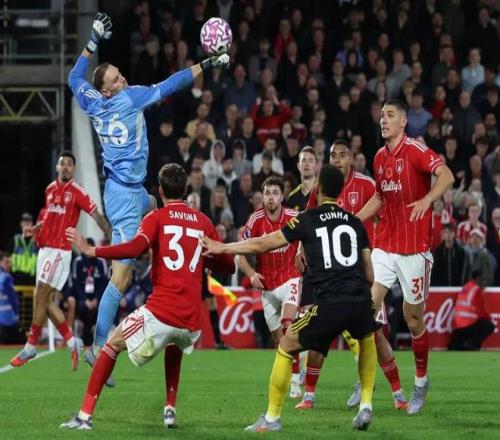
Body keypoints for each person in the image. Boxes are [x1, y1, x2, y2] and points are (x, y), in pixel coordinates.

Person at [67, 12, 230, 369]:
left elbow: (73, 77)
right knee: (120, 278)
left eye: (120, 74)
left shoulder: (91, 100)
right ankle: (98, 346)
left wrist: (92, 40)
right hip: (124, 198)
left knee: (157, 205)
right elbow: (172, 84)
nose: (123, 79)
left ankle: (158, 268)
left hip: (131, 190)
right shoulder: (131, 98)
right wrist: (207, 63)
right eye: (116, 79)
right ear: (108, 89)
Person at [203, 164, 377, 432]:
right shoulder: (355, 223)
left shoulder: (307, 219)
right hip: (360, 301)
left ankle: (272, 418)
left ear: (318, 189)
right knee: (366, 340)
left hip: (329, 303)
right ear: (341, 190)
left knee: (285, 345)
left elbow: (262, 243)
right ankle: (366, 405)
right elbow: (369, 274)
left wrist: (222, 247)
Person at [60, 163, 235, 430]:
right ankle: (170, 410)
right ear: (185, 189)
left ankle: (84, 417)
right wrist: (206, 257)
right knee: (175, 342)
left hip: (162, 312)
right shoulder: (203, 222)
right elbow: (229, 265)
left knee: (111, 345)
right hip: (191, 321)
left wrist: (92, 250)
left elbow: (134, 248)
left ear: (160, 192)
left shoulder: (156, 217)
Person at [357, 99, 455, 414]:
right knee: (366, 310)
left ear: (403, 122)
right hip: (385, 246)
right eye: (381, 116)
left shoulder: (415, 150)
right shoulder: (379, 157)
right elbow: (379, 197)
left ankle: (421, 381)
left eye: (390, 116)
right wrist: (354, 219)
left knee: (413, 319)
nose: (383, 120)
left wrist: (427, 200)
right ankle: (367, 381)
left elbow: (447, 176)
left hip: (415, 250)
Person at [297, 140, 406, 411]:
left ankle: (398, 395)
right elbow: (308, 216)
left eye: (342, 155)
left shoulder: (367, 185)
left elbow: (385, 214)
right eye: (332, 155)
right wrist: (300, 247)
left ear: (351, 159)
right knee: (320, 332)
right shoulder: (322, 185)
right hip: (330, 271)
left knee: (375, 334)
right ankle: (309, 396)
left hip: (362, 270)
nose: (337, 160)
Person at [10, 151, 111, 369]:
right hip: (44, 250)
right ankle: (72, 341)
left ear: (73, 169)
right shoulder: (49, 189)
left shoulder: (77, 192)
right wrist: (35, 228)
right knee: (45, 302)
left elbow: (96, 215)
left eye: (69, 164)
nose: (65, 167)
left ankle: (31, 345)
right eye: (62, 163)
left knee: (41, 295)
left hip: (60, 251)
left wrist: (111, 236)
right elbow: (48, 217)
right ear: (57, 167)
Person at [238, 176, 302, 397]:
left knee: (288, 326)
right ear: (262, 197)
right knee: (280, 342)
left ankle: (295, 382)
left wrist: (303, 253)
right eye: (267, 193)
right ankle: (294, 366)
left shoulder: (294, 217)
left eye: (275, 193)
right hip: (267, 287)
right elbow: (240, 254)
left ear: (282, 196)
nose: (271, 197)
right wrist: (251, 273)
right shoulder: (255, 220)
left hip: (290, 279)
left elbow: (309, 238)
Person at [72, 238, 109, 346]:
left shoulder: (101, 262)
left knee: (102, 306)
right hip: (83, 297)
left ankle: (97, 332)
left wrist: (96, 299)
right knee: (81, 307)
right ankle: (80, 331)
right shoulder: (78, 262)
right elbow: (76, 284)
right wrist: (85, 300)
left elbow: (104, 283)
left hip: (97, 297)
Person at [449, 270, 495, 350]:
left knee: (455, 346)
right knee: (489, 326)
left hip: (456, 326)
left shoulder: (466, 287)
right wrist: (489, 318)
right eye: (483, 280)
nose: (484, 283)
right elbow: (481, 310)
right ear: (478, 279)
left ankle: (461, 344)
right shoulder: (476, 289)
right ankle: (471, 345)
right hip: (468, 325)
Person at [0, 251, 25, 344]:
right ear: (0, 262)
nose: (9, 265)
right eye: (6, 262)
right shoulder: (6, 277)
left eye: (10, 262)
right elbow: (13, 299)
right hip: (8, 321)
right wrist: (16, 313)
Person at [285, 146, 317, 211]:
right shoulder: (292, 197)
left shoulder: (324, 193)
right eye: (304, 160)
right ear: (298, 166)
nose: (307, 164)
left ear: (316, 166)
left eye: (310, 161)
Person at [10, 212, 38, 285]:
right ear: (21, 223)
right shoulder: (15, 239)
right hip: (16, 278)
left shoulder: (37, 240)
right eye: (24, 221)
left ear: (32, 224)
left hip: (32, 279)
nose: (27, 223)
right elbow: (6, 258)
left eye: (29, 221)